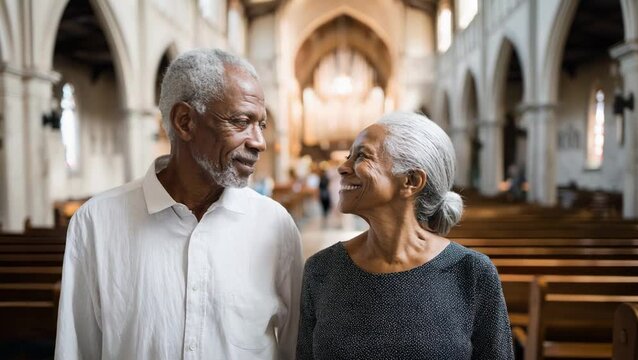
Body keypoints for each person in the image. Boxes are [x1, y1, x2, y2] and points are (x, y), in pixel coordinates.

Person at [55, 49, 303, 360]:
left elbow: (294, 347)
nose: (259, 142)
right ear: (185, 122)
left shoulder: (275, 225)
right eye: (241, 122)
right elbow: (76, 351)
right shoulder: (96, 223)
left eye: (261, 125)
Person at [297, 112, 514, 359]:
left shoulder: (471, 272)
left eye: (362, 156)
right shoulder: (322, 268)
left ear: (411, 180)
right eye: (349, 156)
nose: (343, 167)